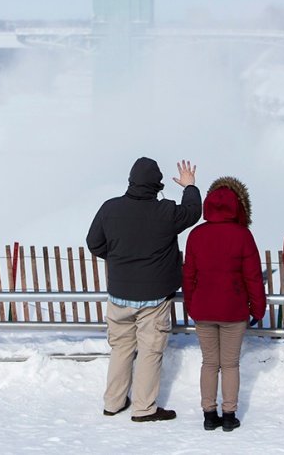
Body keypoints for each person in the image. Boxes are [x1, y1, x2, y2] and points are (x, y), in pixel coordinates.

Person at [86, 157, 201, 422]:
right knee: (150, 351)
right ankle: (144, 408)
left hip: (118, 295)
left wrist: (118, 258)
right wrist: (189, 186)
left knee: (121, 348)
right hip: (154, 298)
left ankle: (113, 403)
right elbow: (193, 212)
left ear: (130, 181)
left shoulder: (109, 209)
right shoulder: (166, 212)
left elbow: (94, 243)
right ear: (157, 185)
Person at [182, 177, 266, 432]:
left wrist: (190, 304)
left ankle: (209, 414)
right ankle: (229, 415)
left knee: (209, 363)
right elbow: (253, 276)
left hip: (203, 309)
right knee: (230, 364)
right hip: (233, 310)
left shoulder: (196, 235)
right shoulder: (243, 235)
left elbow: (188, 275)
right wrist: (258, 309)